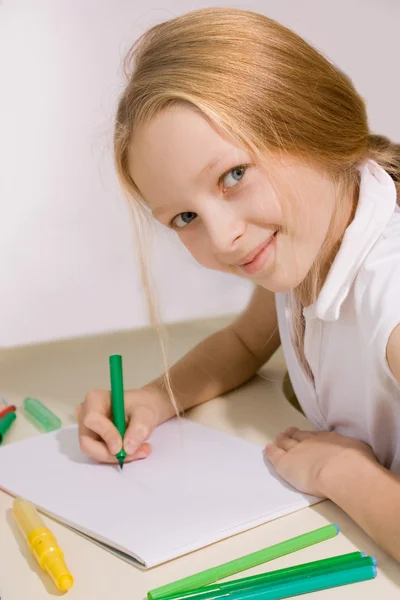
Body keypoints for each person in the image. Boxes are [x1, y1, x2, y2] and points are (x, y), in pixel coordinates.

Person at [77, 8, 400, 561]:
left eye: (233, 175)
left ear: (311, 120)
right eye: (184, 218)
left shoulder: (389, 301)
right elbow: (247, 343)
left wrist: (343, 473)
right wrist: (155, 398)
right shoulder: (313, 243)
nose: (223, 238)